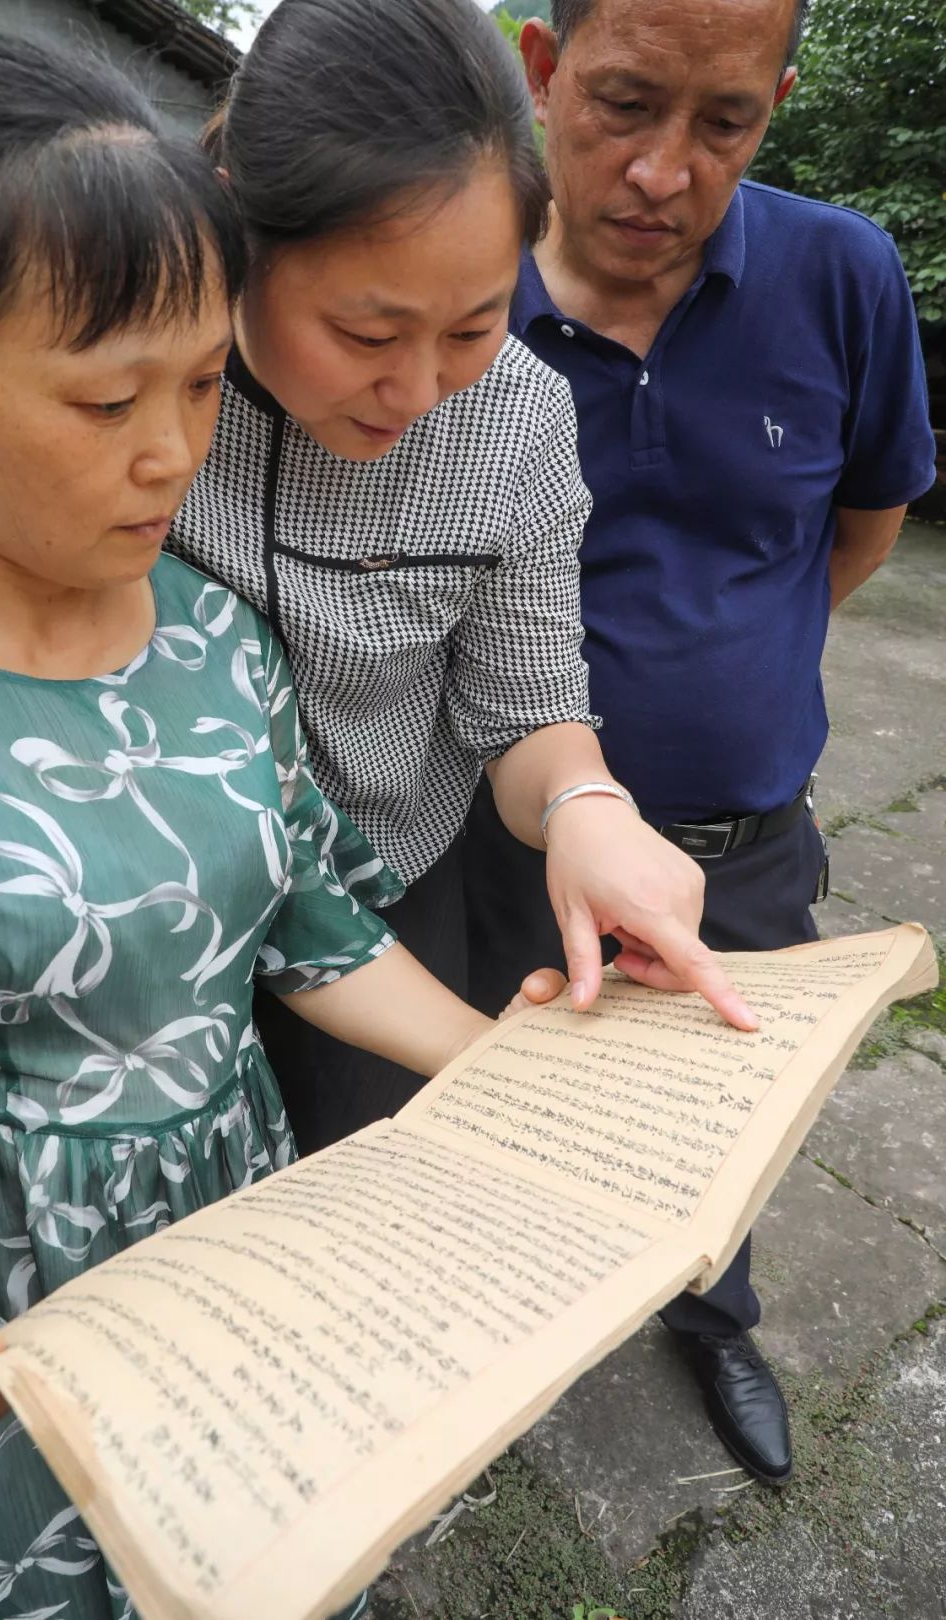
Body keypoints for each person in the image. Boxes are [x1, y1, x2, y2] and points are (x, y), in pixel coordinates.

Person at [0, 31, 566, 1618]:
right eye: (107, 398)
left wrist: (515, 1077)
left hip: (234, 1285)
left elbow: (308, 918)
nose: (174, 454)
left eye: (199, 384)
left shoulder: (204, 635)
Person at [463, 0, 938, 1484]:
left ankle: (712, 1317)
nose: (664, 171)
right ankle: (494, 1321)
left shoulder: (843, 274)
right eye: (621, 104)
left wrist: (734, 674)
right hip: (502, 844)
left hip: (746, 840)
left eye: (723, 122)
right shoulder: (455, 283)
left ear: (778, 103)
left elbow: (865, 524)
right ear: (540, 71)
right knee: (497, 1107)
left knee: (720, 1125)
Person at [177, 0, 756, 1162]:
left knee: (382, 1185)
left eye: (474, 324)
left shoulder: (521, 418)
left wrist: (590, 813)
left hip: (386, 886)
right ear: (241, 227)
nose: (420, 388)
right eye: (367, 331)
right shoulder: (139, 388)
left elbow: (529, 702)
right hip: (153, 897)